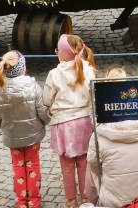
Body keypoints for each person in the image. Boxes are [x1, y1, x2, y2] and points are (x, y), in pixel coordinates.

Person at [88, 67, 138, 208]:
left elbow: (94, 166)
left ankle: (94, 200)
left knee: (94, 162)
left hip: (113, 201)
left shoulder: (100, 131)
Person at [43, 34, 97, 208]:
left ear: (62, 53)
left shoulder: (54, 74)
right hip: (83, 122)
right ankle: (86, 197)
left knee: (66, 165)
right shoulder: (88, 69)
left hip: (63, 124)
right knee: (84, 162)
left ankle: (70, 200)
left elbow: (46, 98)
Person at [0, 51, 48, 208]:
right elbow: (43, 112)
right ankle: (34, 201)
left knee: (18, 167)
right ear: (23, 68)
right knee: (33, 165)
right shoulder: (34, 87)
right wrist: (44, 122)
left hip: (12, 137)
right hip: (33, 135)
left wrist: (4, 126)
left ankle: (22, 201)